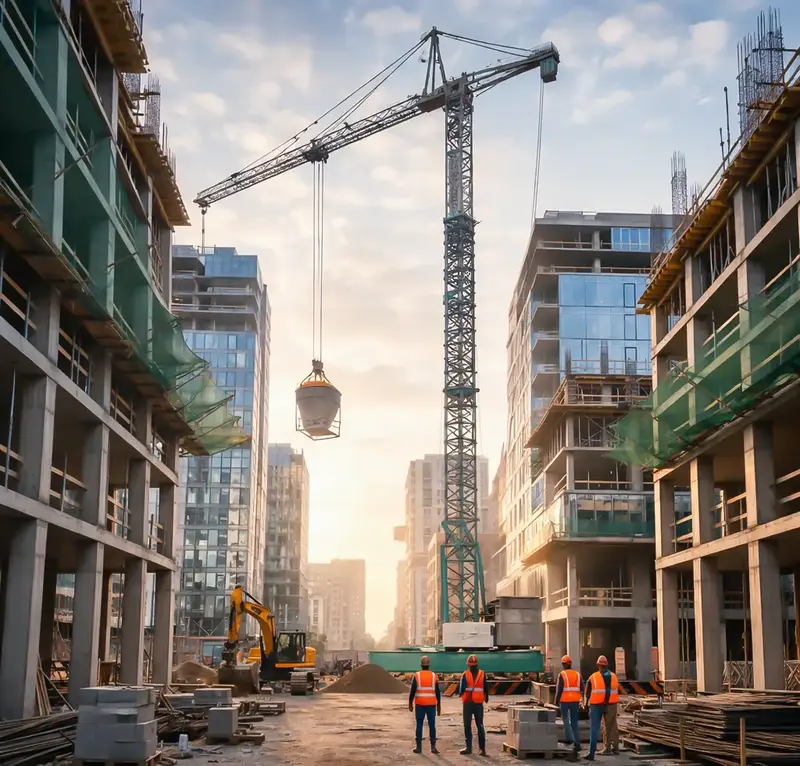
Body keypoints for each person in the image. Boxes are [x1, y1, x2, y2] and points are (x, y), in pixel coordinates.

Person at [584, 655, 619, 761]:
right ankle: (615, 748)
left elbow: (587, 693)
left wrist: (585, 705)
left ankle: (592, 752)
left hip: (596, 704)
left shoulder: (593, 677)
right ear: (607, 665)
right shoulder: (614, 676)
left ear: (598, 665)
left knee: (595, 728)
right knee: (612, 726)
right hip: (611, 704)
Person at [408, 655, 441, 754]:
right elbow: (437, 692)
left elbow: (412, 691)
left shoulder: (417, 676)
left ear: (421, 665)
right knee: (432, 725)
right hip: (431, 704)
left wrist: (410, 703)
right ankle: (433, 747)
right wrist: (439, 705)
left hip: (420, 704)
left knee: (419, 725)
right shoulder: (434, 676)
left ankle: (418, 747)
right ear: (429, 665)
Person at [458, 654, 489, 756]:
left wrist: (461, 694)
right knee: (480, 725)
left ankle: (468, 748)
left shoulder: (465, 674)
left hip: (468, 703)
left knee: (467, 725)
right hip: (478, 703)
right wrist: (486, 698)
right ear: (477, 663)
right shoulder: (482, 674)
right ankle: (482, 749)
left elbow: (461, 690)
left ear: (468, 664)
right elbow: (486, 687)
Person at [554, 654, 583, 754]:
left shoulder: (562, 674)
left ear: (563, 664)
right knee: (574, 722)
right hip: (575, 701)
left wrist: (556, 701)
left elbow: (559, 689)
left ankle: (570, 740)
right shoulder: (578, 674)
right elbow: (582, 688)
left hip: (564, 701)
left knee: (566, 720)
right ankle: (577, 742)